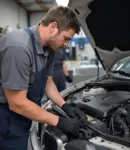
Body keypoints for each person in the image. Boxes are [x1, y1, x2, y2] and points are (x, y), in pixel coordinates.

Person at [0, 6, 87, 150]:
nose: (66, 44)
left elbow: (48, 82)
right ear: (53, 27)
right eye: (66, 38)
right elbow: (17, 102)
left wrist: (64, 106)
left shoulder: (49, 47)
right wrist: (59, 121)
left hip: (22, 115)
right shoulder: (19, 48)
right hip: (6, 119)